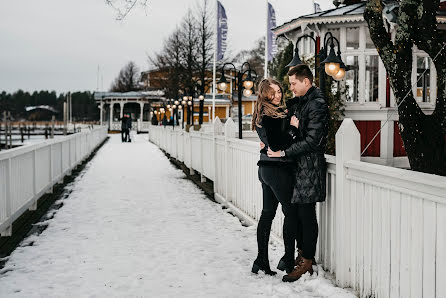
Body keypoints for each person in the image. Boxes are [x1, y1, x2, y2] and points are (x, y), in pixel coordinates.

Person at [267, 64, 329, 282]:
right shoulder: (303, 102)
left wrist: (284, 150)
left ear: (306, 81)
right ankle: (301, 255)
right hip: (298, 165)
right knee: (300, 215)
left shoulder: (317, 104)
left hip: (309, 166)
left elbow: (313, 140)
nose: (291, 87)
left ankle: (307, 259)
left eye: (294, 83)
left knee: (307, 215)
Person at [251, 78, 298, 276]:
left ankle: (261, 260)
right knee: (291, 213)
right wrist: (293, 128)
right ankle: (288, 260)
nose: (278, 95)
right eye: (273, 92)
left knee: (268, 213)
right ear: (264, 94)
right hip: (277, 170)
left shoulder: (262, 114)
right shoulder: (270, 115)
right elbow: (277, 145)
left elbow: (269, 142)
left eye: (279, 91)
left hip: (266, 169)